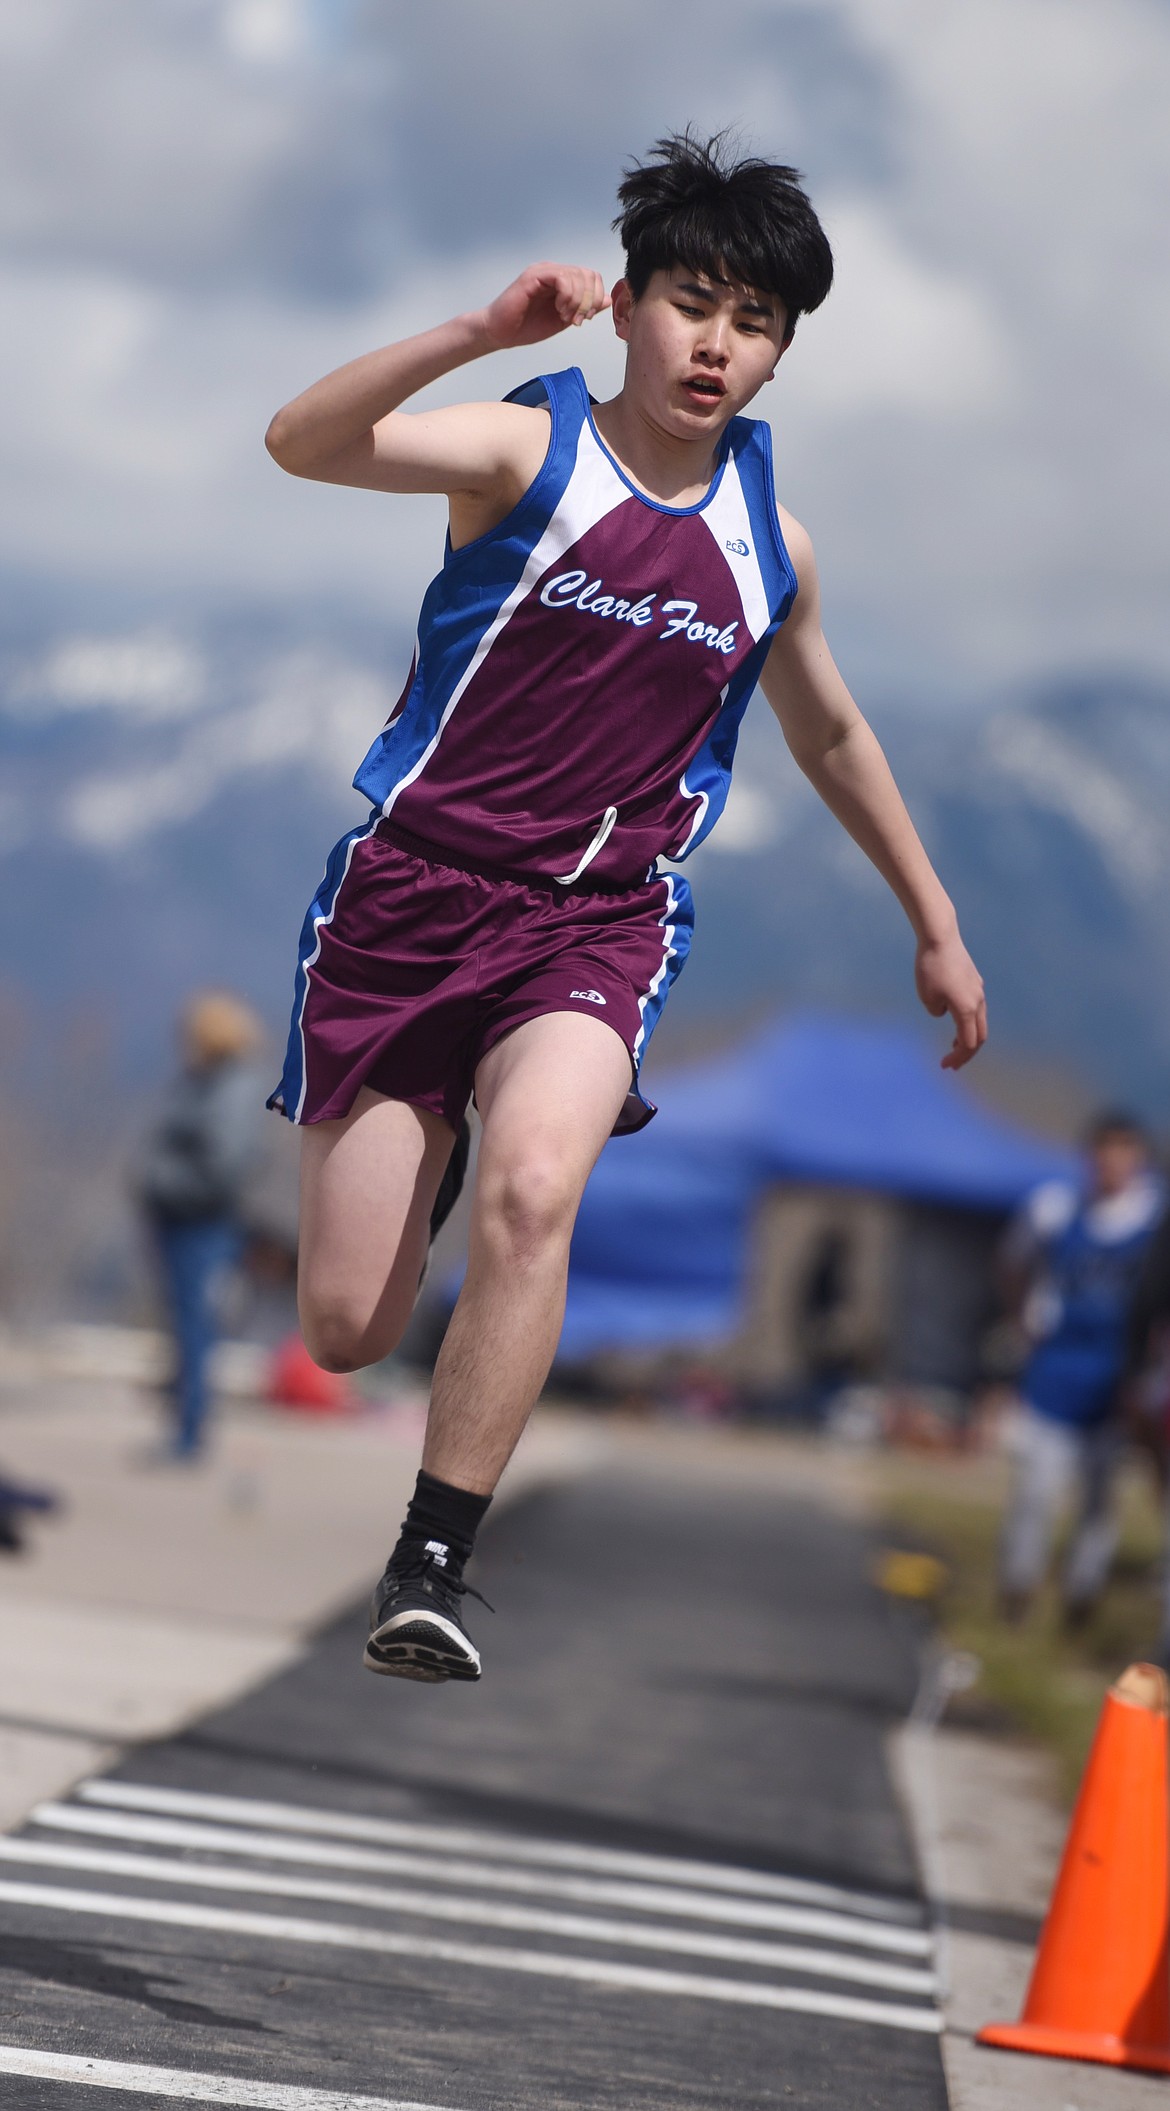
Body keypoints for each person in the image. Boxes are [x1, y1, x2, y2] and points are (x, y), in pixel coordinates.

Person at [264, 132, 987, 1684]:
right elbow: (300, 443)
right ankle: (433, 1141)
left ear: (783, 347)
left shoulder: (767, 544)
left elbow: (833, 734)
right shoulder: (528, 457)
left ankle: (435, 1562)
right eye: (691, 302)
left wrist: (931, 915)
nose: (717, 343)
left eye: (756, 321)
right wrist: (477, 332)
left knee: (541, 1188)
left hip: (596, 920)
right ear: (630, 308)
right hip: (408, 899)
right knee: (341, 1327)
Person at [997, 1110, 1164, 1624]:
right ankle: (1019, 1588)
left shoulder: (1153, 1220)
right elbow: (1012, 1264)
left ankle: (1081, 1594)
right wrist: (1023, 1317)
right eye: (1102, 1150)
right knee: (1036, 1489)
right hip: (1056, 1366)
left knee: (1098, 1496)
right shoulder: (1056, 1209)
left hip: (1117, 1375)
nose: (1111, 1162)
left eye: (1123, 1150)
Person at [136, 991, 268, 1460]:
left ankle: (189, 1434)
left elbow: (222, 1166)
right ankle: (181, 1421)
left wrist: (163, 1181)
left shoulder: (230, 1087)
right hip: (181, 1221)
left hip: (202, 1224)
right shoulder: (204, 1081)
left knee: (196, 1323)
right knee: (185, 1322)